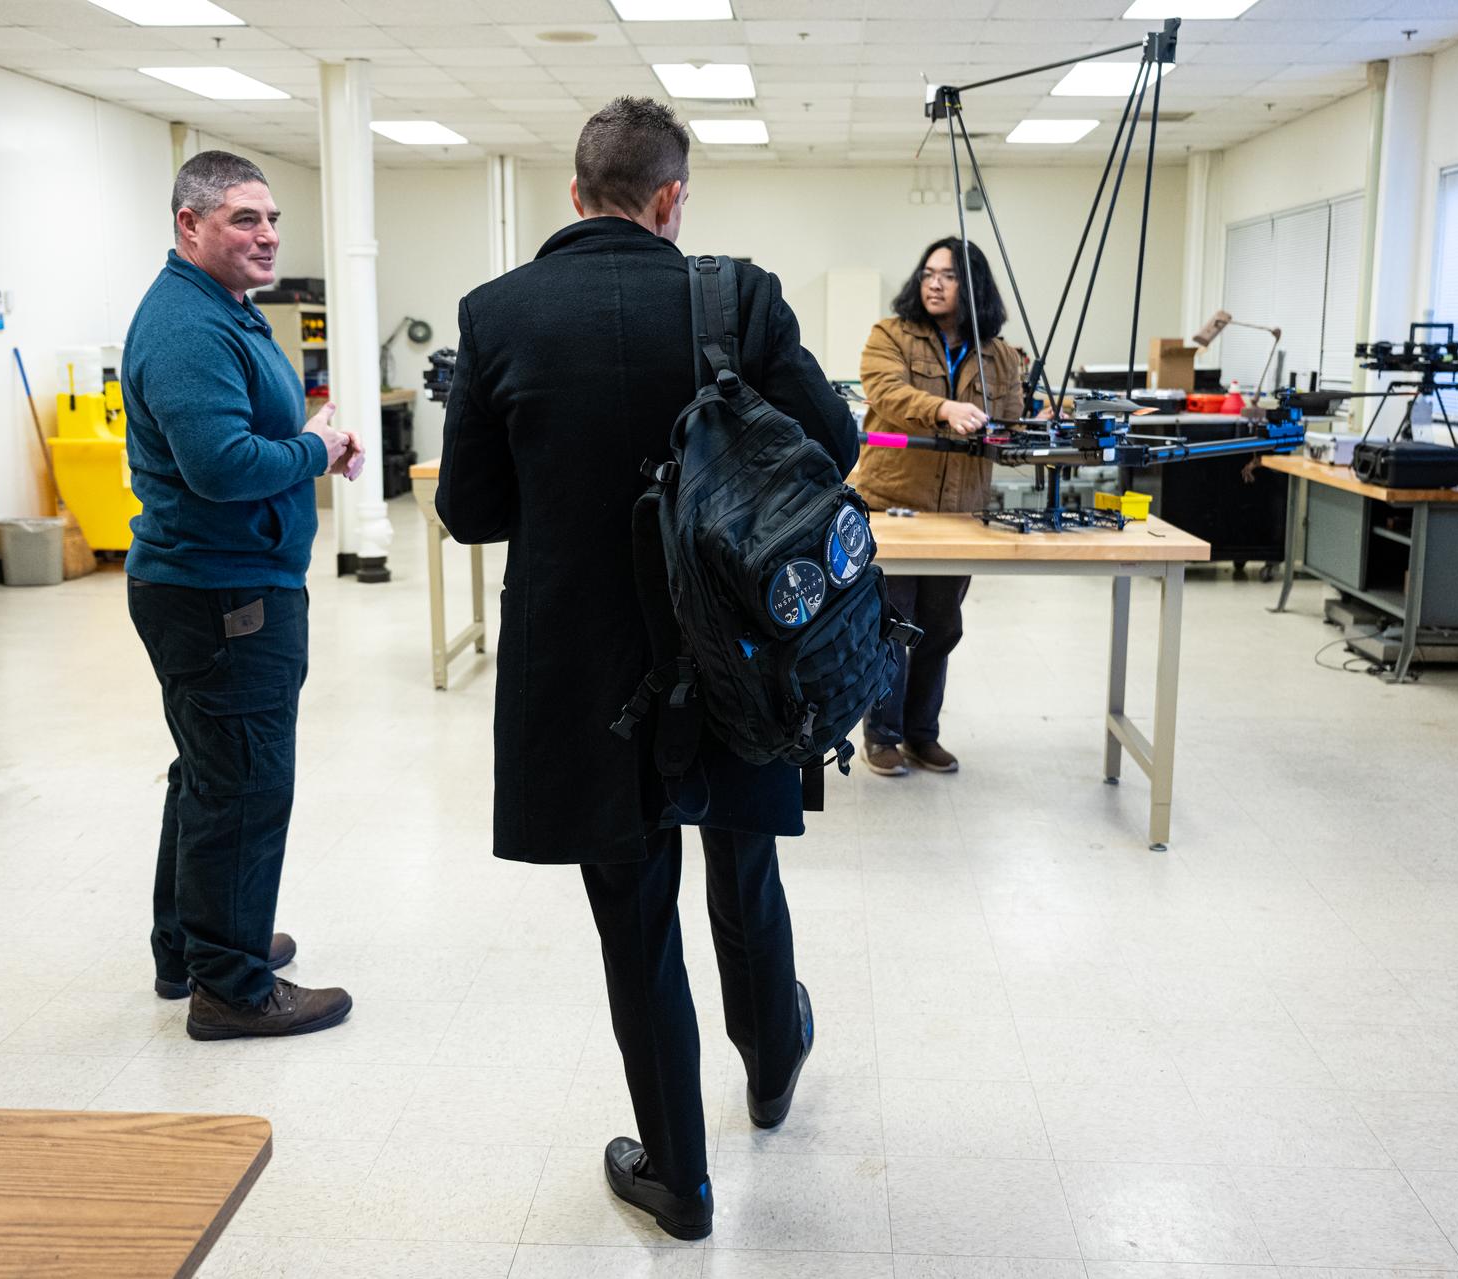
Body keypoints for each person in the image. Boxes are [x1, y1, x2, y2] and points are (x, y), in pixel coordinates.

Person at [435, 98, 856, 1241]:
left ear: (574, 195)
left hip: (583, 671)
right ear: (672, 199)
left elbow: (469, 509)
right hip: (736, 648)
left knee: (633, 911)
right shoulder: (740, 295)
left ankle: (679, 1179)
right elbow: (839, 444)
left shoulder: (497, 314)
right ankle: (772, 1063)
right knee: (744, 859)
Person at [123, 150, 363, 1041]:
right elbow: (221, 466)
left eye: (269, 218)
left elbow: (244, 433)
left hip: (225, 582)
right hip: (222, 595)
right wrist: (317, 451)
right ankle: (231, 986)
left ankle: (194, 946)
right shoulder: (188, 327)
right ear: (190, 225)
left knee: (211, 771)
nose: (265, 235)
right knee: (245, 782)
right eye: (242, 220)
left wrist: (307, 438)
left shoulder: (224, 310)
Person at [848, 236, 1025, 778]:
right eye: (928, 272)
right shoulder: (890, 335)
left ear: (972, 286)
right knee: (892, 623)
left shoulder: (998, 354)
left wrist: (1020, 437)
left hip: (961, 513)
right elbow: (885, 393)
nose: (934, 282)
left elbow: (1012, 420)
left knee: (941, 626)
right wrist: (945, 408)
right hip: (894, 505)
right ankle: (882, 735)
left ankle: (924, 735)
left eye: (948, 275)